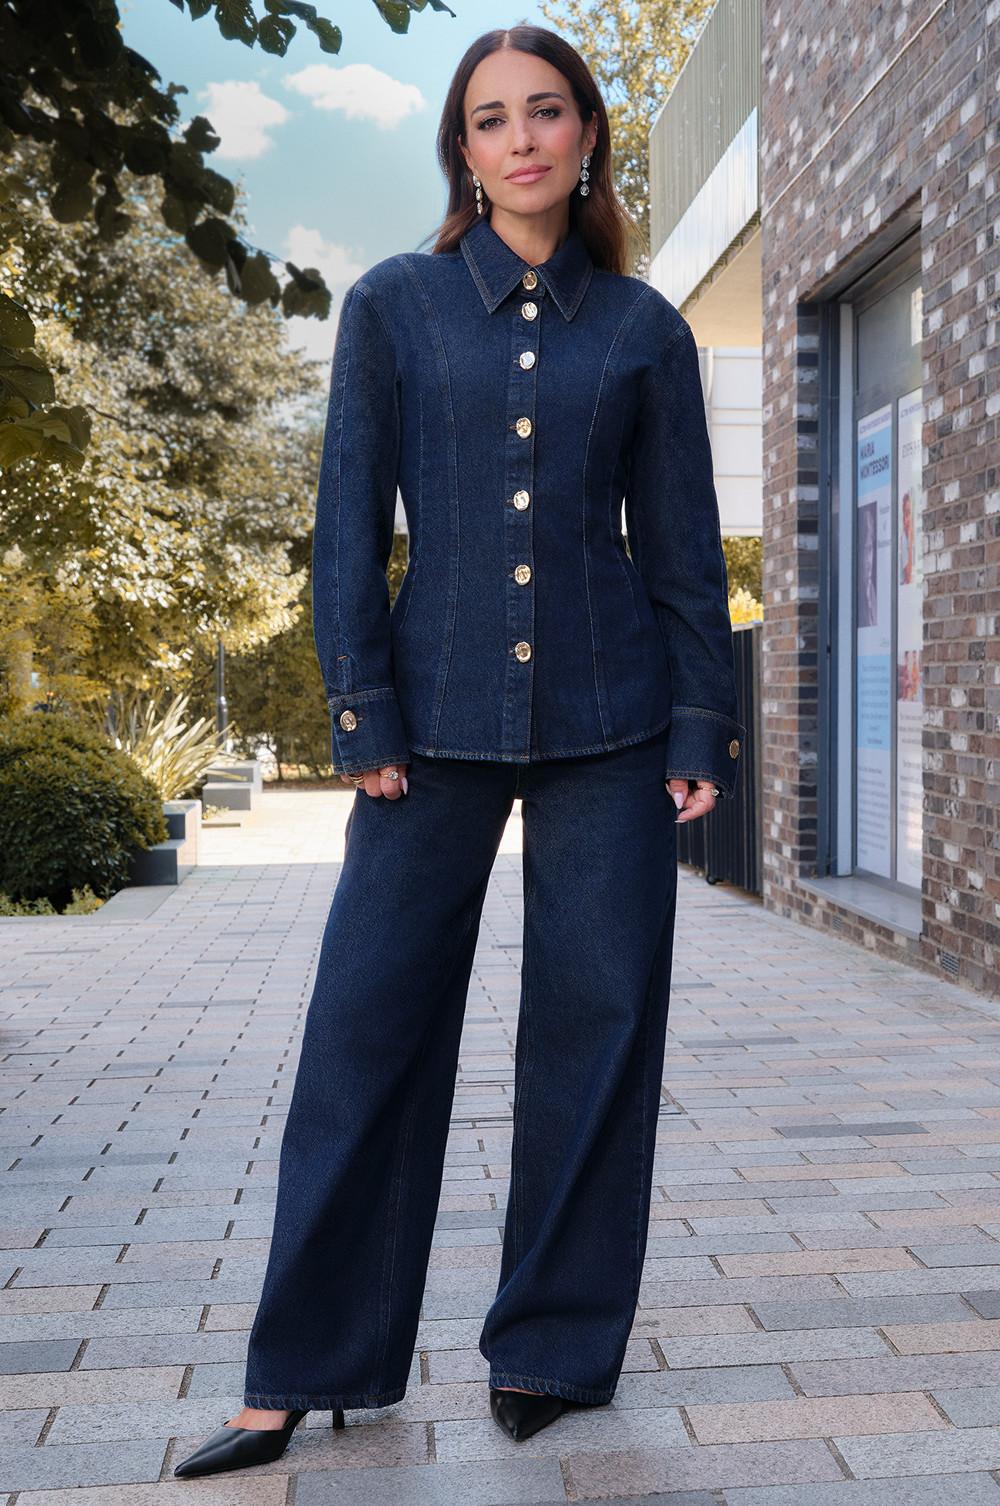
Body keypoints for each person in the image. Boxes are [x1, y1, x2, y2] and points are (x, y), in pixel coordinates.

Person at [173, 21, 745, 1480]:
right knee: (363, 1032)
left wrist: (701, 722)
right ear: (464, 151)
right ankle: (305, 1367)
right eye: (491, 119)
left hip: (614, 729)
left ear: (588, 135)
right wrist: (359, 711)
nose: (521, 139)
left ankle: (551, 1347)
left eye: (545, 111)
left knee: (597, 1028)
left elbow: (684, 553)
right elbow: (348, 526)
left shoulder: (645, 331)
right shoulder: (396, 307)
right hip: (425, 733)